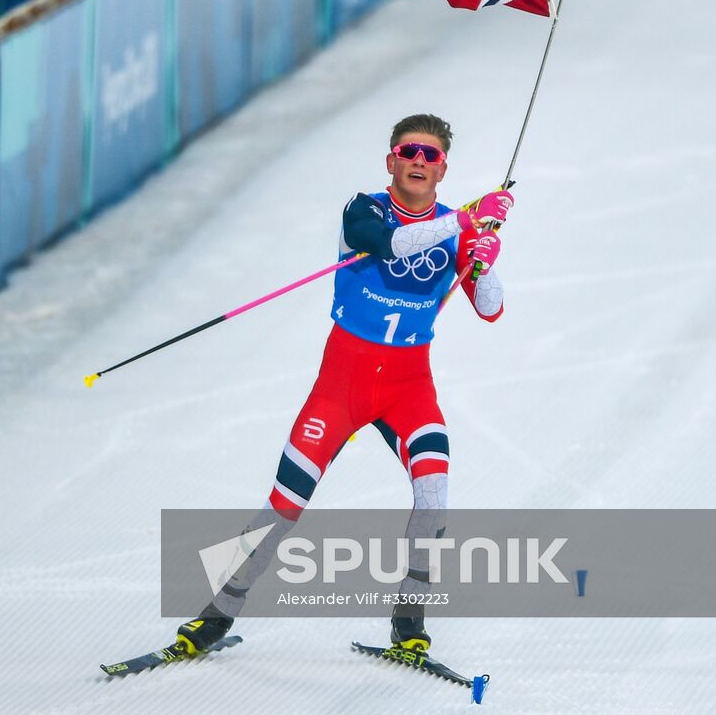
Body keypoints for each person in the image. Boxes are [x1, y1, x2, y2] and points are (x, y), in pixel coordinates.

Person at [172, 113, 513, 659]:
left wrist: (483, 260)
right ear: (391, 160)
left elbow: (492, 308)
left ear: (443, 168)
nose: (418, 162)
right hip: (343, 384)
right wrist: (469, 220)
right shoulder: (364, 210)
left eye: (430, 155)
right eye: (409, 152)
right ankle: (214, 617)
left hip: (408, 386)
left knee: (434, 499)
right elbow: (394, 244)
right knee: (284, 507)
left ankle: (409, 623)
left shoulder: (458, 228)